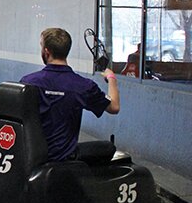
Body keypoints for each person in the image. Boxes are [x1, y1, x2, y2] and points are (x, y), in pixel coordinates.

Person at [20, 27, 120, 162]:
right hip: (65, 158)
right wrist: (111, 78)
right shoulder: (83, 86)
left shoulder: (28, 82)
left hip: (32, 155)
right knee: (108, 147)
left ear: (46, 51)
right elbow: (114, 107)